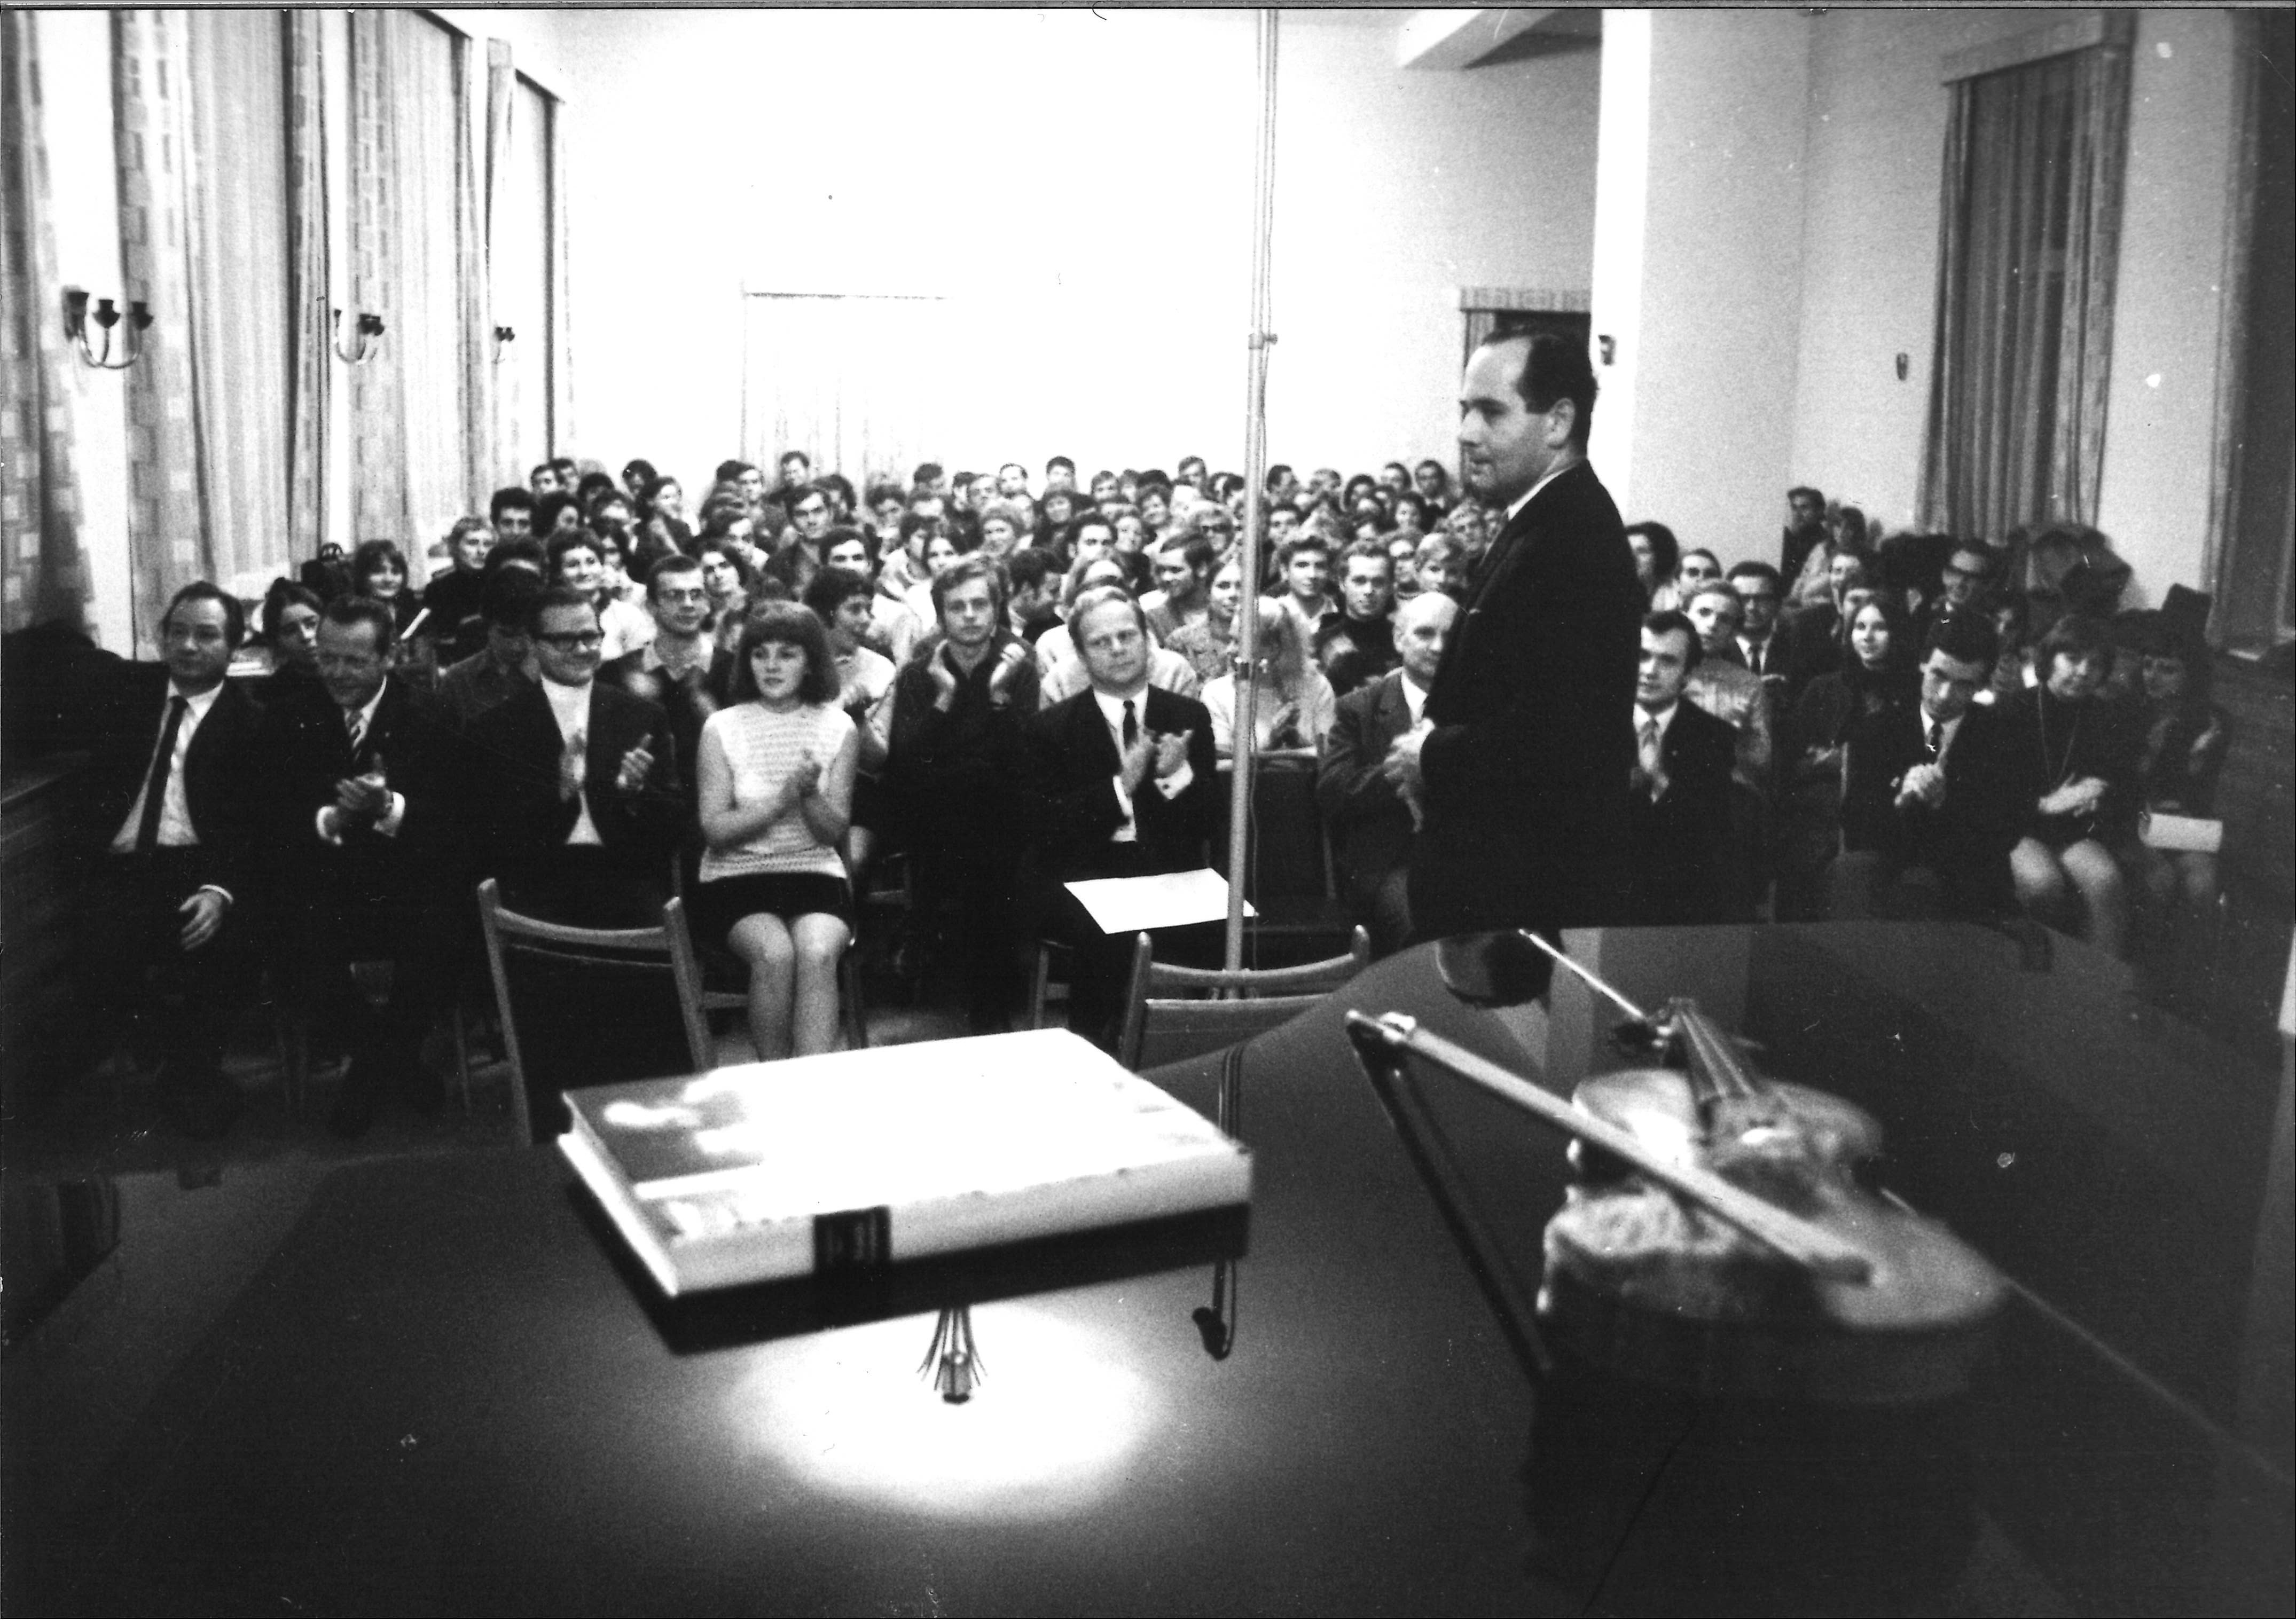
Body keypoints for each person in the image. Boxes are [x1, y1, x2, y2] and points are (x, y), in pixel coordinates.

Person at [1384, 331, 1642, 943]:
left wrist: (1430, 753)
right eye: (1464, 410)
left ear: (1557, 423)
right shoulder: (1539, 519)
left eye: (1492, 412)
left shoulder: (1572, 540)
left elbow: (1563, 743)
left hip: (1519, 895)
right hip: (1494, 882)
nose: (1467, 432)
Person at [262, 595, 464, 1137]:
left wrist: (388, 808)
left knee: (446, 928)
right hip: (326, 883)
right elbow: (274, 818)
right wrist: (332, 816)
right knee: (291, 933)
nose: (337, 673)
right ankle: (392, 1062)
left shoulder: (430, 712)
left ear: (389, 657)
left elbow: (453, 820)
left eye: (354, 661)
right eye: (328, 657)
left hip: (408, 881)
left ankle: (368, 1073)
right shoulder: (289, 714)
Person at [69, 582, 265, 1139]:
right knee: (99, 955)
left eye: (206, 635)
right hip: (122, 865)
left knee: (215, 948)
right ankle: (176, 1063)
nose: (187, 646)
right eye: (176, 632)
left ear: (235, 644)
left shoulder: (252, 721)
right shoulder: (128, 695)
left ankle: (190, 1072)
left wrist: (219, 889)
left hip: (198, 867)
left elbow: (254, 827)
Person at [1024, 591, 1220, 1051]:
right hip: (1089, 872)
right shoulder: (1050, 729)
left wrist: (1178, 775)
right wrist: (1121, 787)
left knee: (1217, 923)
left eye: (1127, 635)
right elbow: (1049, 830)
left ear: (1146, 639)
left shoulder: (1186, 715)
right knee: (1107, 930)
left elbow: (1210, 821)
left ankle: (1200, 1053)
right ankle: (1098, 1052)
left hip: (1169, 871)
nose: (1117, 648)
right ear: (1081, 653)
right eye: (1101, 641)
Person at [693, 602, 860, 1062]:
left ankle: (810, 1085)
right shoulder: (721, 727)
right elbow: (715, 830)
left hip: (813, 869)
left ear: (810, 663)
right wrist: (782, 800)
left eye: (786, 654)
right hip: (734, 875)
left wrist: (808, 796)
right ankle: (773, 1082)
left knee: (816, 951)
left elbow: (831, 835)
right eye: (760, 654)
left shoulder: (838, 727)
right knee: (775, 954)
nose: (771, 666)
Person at [886, 556, 1041, 1032]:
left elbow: (1026, 763)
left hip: (1002, 818)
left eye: (980, 604)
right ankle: (970, 993)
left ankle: (984, 1009)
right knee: (962, 837)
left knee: (992, 853)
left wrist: (996, 698)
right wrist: (944, 698)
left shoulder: (1020, 665)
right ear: (942, 615)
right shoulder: (919, 672)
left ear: (997, 610)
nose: (970, 615)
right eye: (958, 607)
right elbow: (904, 764)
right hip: (938, 819)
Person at [1831, 614, 2033, 923]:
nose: (1945, 695)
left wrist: (1944, 803)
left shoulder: (2000, 736)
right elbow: (1855, 824)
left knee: (1921, 889)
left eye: (1964, 685)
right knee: (1852, 874)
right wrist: (1900, 799)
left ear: (1981, 685)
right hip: (1889, 855)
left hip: (1961, 872)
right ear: (1923, 664)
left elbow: (2004, 834)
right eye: (1939, 676)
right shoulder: (1879, 726)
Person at [1317, 592, 1457, 955]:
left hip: (1467, 852)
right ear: (1399, 639)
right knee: (1419, 924)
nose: (1439, 647)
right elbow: (1334, 791)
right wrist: (1405, 767)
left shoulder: (1479, 706)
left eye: (1450, 635)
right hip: (1390, 859)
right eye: (1425, 634)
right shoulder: (1358, 708)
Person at [2001, 614, 2135, 959]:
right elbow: (1991, 794)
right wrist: (2046, 804)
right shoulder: (2012, 710)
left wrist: (2097, 802)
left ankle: (2099, 989)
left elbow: (2119, 786)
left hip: (2071, 831)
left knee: (2106, 881)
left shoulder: (2107, 717)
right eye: (2072, 659)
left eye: (2094, 664)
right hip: (2018, 826)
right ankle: (2033, 979)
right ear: (2049, 659)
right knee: (2043, 884)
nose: (2082, 672)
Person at [1775, 594, 1916, 919]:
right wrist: (1824, 764)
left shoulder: (1914, 691)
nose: (1867, 636)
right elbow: (1792, 759)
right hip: (1822, 810)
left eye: (1880, 628)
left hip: (1885, 813)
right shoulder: (1823, 688)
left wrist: (1857, 760)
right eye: (1860, 627)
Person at [1624, 612, 1740, 925]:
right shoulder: (1590, 727)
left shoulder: (1713, 736)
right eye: (1642, 656)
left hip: (1679, 900)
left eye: (1667, 661)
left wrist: (1659, 779)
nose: (1650, 671)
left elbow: (1708, 834)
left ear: (1688, 675)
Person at [600, 554, 734, 814]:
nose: (687, 604)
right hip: (644, 820)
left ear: (708, 604)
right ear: (651, 606)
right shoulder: (616, 674)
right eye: (674, 595)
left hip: (717, 814)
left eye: (696, 594)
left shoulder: (735, 671)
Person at [803, 565, 898, 884]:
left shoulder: (880, 668)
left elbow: (877, 760)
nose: (865, 620)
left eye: (868, 610)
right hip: (801, 779)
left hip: (861, 788)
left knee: (849, 861)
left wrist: (856, 720)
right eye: (854, 609)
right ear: (825, 611)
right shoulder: (796, 665)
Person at [1204, 598, 1335, 758]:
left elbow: (1328, 756)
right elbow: (1222, 765)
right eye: (1230, 640)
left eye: (1239, 643)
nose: (1229, 650)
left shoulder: (1317, 687)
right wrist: (1271, 743)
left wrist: (1297, 740)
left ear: (1273, 648)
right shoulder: (1216, 693)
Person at [436, 568, 543, 730]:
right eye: (506, 635)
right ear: (487, 626)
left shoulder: (554, 674)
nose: (517, 646)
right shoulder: (458, 680)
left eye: (527, 635)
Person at [1313, 539, 1400, 697]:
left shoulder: (1403, 642)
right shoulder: (1320, 644)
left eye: (1378, 582)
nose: (1369, 591)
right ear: (1342, 583)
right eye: (1359, 581)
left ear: (1391, 587)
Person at [423, 517, 496, 665]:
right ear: (455, 547)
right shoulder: (438, 588)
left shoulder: (499, 586)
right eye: (472, 543)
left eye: (487, 545)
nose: (481, 551)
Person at [1166, 553, 1246, 687]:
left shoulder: (1264, 639)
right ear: (1208, 593)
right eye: (1223, 586)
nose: (1233, 594)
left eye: (1240, 587)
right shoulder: (1181, 641)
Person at [1626, 522, 1680, 609]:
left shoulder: (1676, 600)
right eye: (1627, 550)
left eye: (1642, 551)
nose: (1631, 557)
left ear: (1661, 557)